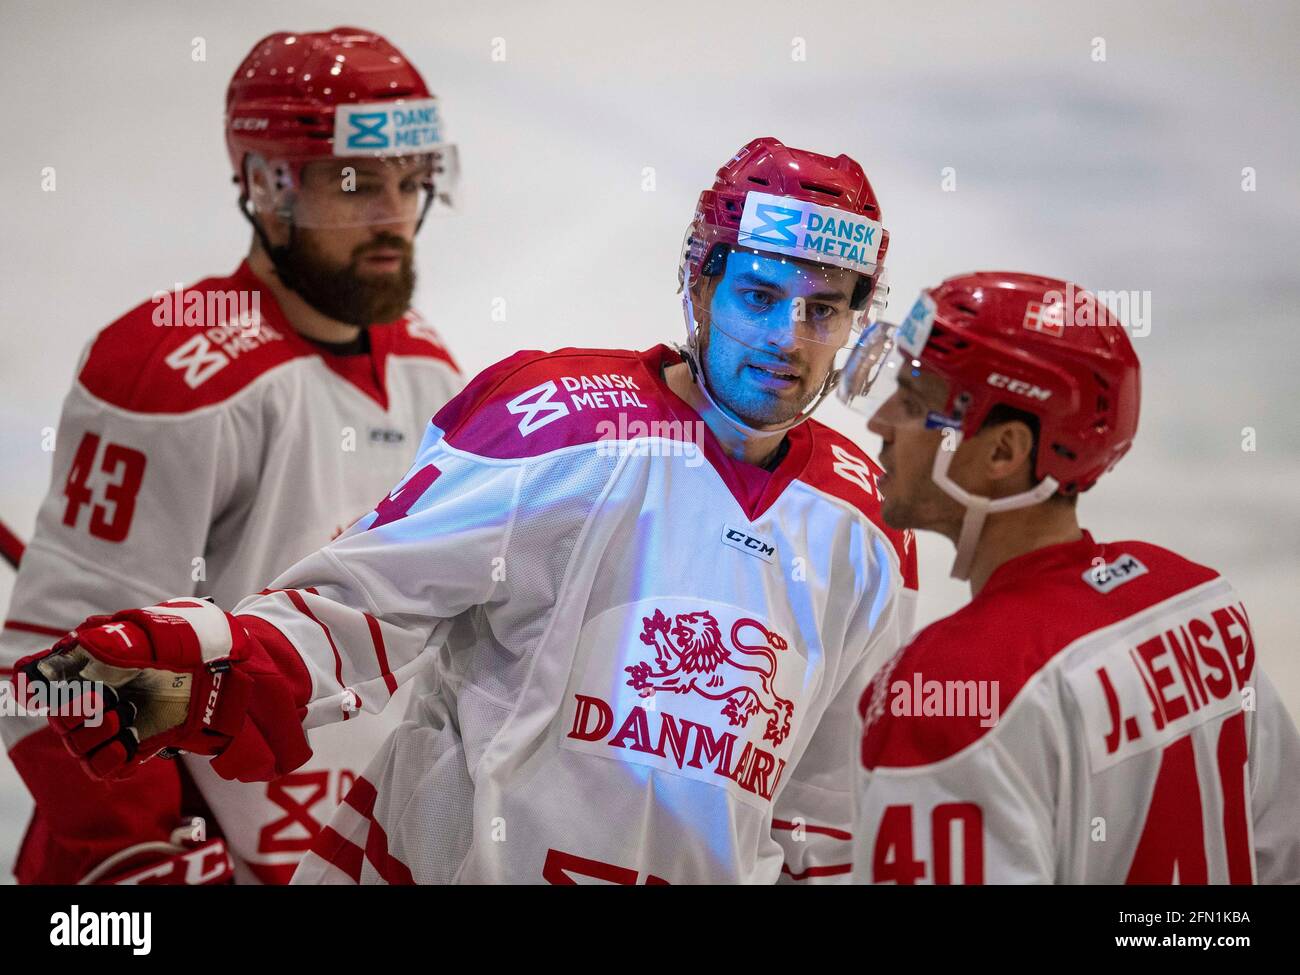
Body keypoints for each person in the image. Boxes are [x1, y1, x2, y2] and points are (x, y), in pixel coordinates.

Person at [16, 137, 917, 884]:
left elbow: (823, 816)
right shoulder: (562, 428)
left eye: (822, 310)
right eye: (760, 296)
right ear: (704, 285)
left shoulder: (867, 531)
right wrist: (198, 673)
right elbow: (357, 608)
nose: (787, 341)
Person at [0, 27, 463, 885]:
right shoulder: (168, 373)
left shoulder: (429, 366)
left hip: (345, 846)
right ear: (264, 185)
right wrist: (140, 855)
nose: (394, 215)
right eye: (354, 184)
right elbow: (49, 670)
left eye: (411, 181)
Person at [839, 271, 1300, 883]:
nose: (882, 424)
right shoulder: (1198, 602)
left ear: (1003, 454)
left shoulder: (949, 693)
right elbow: (1280, 849)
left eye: (917, 404)